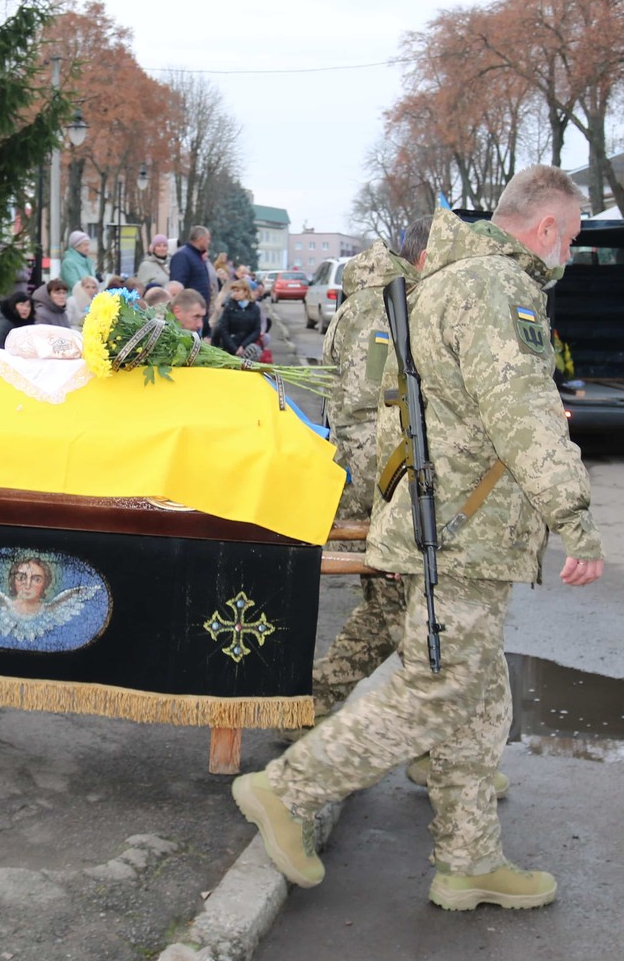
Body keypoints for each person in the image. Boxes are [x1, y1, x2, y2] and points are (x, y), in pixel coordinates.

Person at [234, 164, 603, 912]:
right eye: (573, 234)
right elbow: (523, 413)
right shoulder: (498, 290)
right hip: (462, 529)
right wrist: (577, 519)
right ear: (548, 229)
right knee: (437, 688)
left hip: (452, 521)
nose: (570, 250)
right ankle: (286, 788)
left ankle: (469, 859)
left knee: (474, 698)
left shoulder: (455, 282)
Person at [309, 229, 423, 732]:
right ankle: (436, 745)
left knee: (393, 614)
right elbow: (365, 408)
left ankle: (307, 704)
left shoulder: (382, 294)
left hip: (378, 474)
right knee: (404, 614)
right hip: (379, 478)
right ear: (424, 254)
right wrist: (395, 497)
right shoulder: (384, 303)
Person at [212, 278, 265, 358]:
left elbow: (256, 330)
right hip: (229, 345)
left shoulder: (254, 308)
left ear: (246, 292)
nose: (235, 293)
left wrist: (243, 346)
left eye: (238, 291)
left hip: (247, 346)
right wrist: (234, 348)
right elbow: (223, 328)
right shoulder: (229, 307)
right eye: (234, 291)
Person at [170, 227, 215, 316]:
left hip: (200, 310)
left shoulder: (197, 256)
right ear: (201, 239)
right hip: (189, 312)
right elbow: (177, 285)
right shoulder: (182, 256)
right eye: (208, 239)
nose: (209, 242)